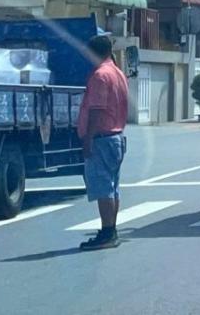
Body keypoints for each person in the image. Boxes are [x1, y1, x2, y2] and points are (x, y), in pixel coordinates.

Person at [76, 33, 129, 251]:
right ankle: (111, 230)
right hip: (116, 137)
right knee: (113, 188)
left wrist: (88, 139)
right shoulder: (117, 73)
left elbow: (97, 111)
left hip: (102, 138)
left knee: (103, 188)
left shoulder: (100, 76)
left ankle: (107, 232)